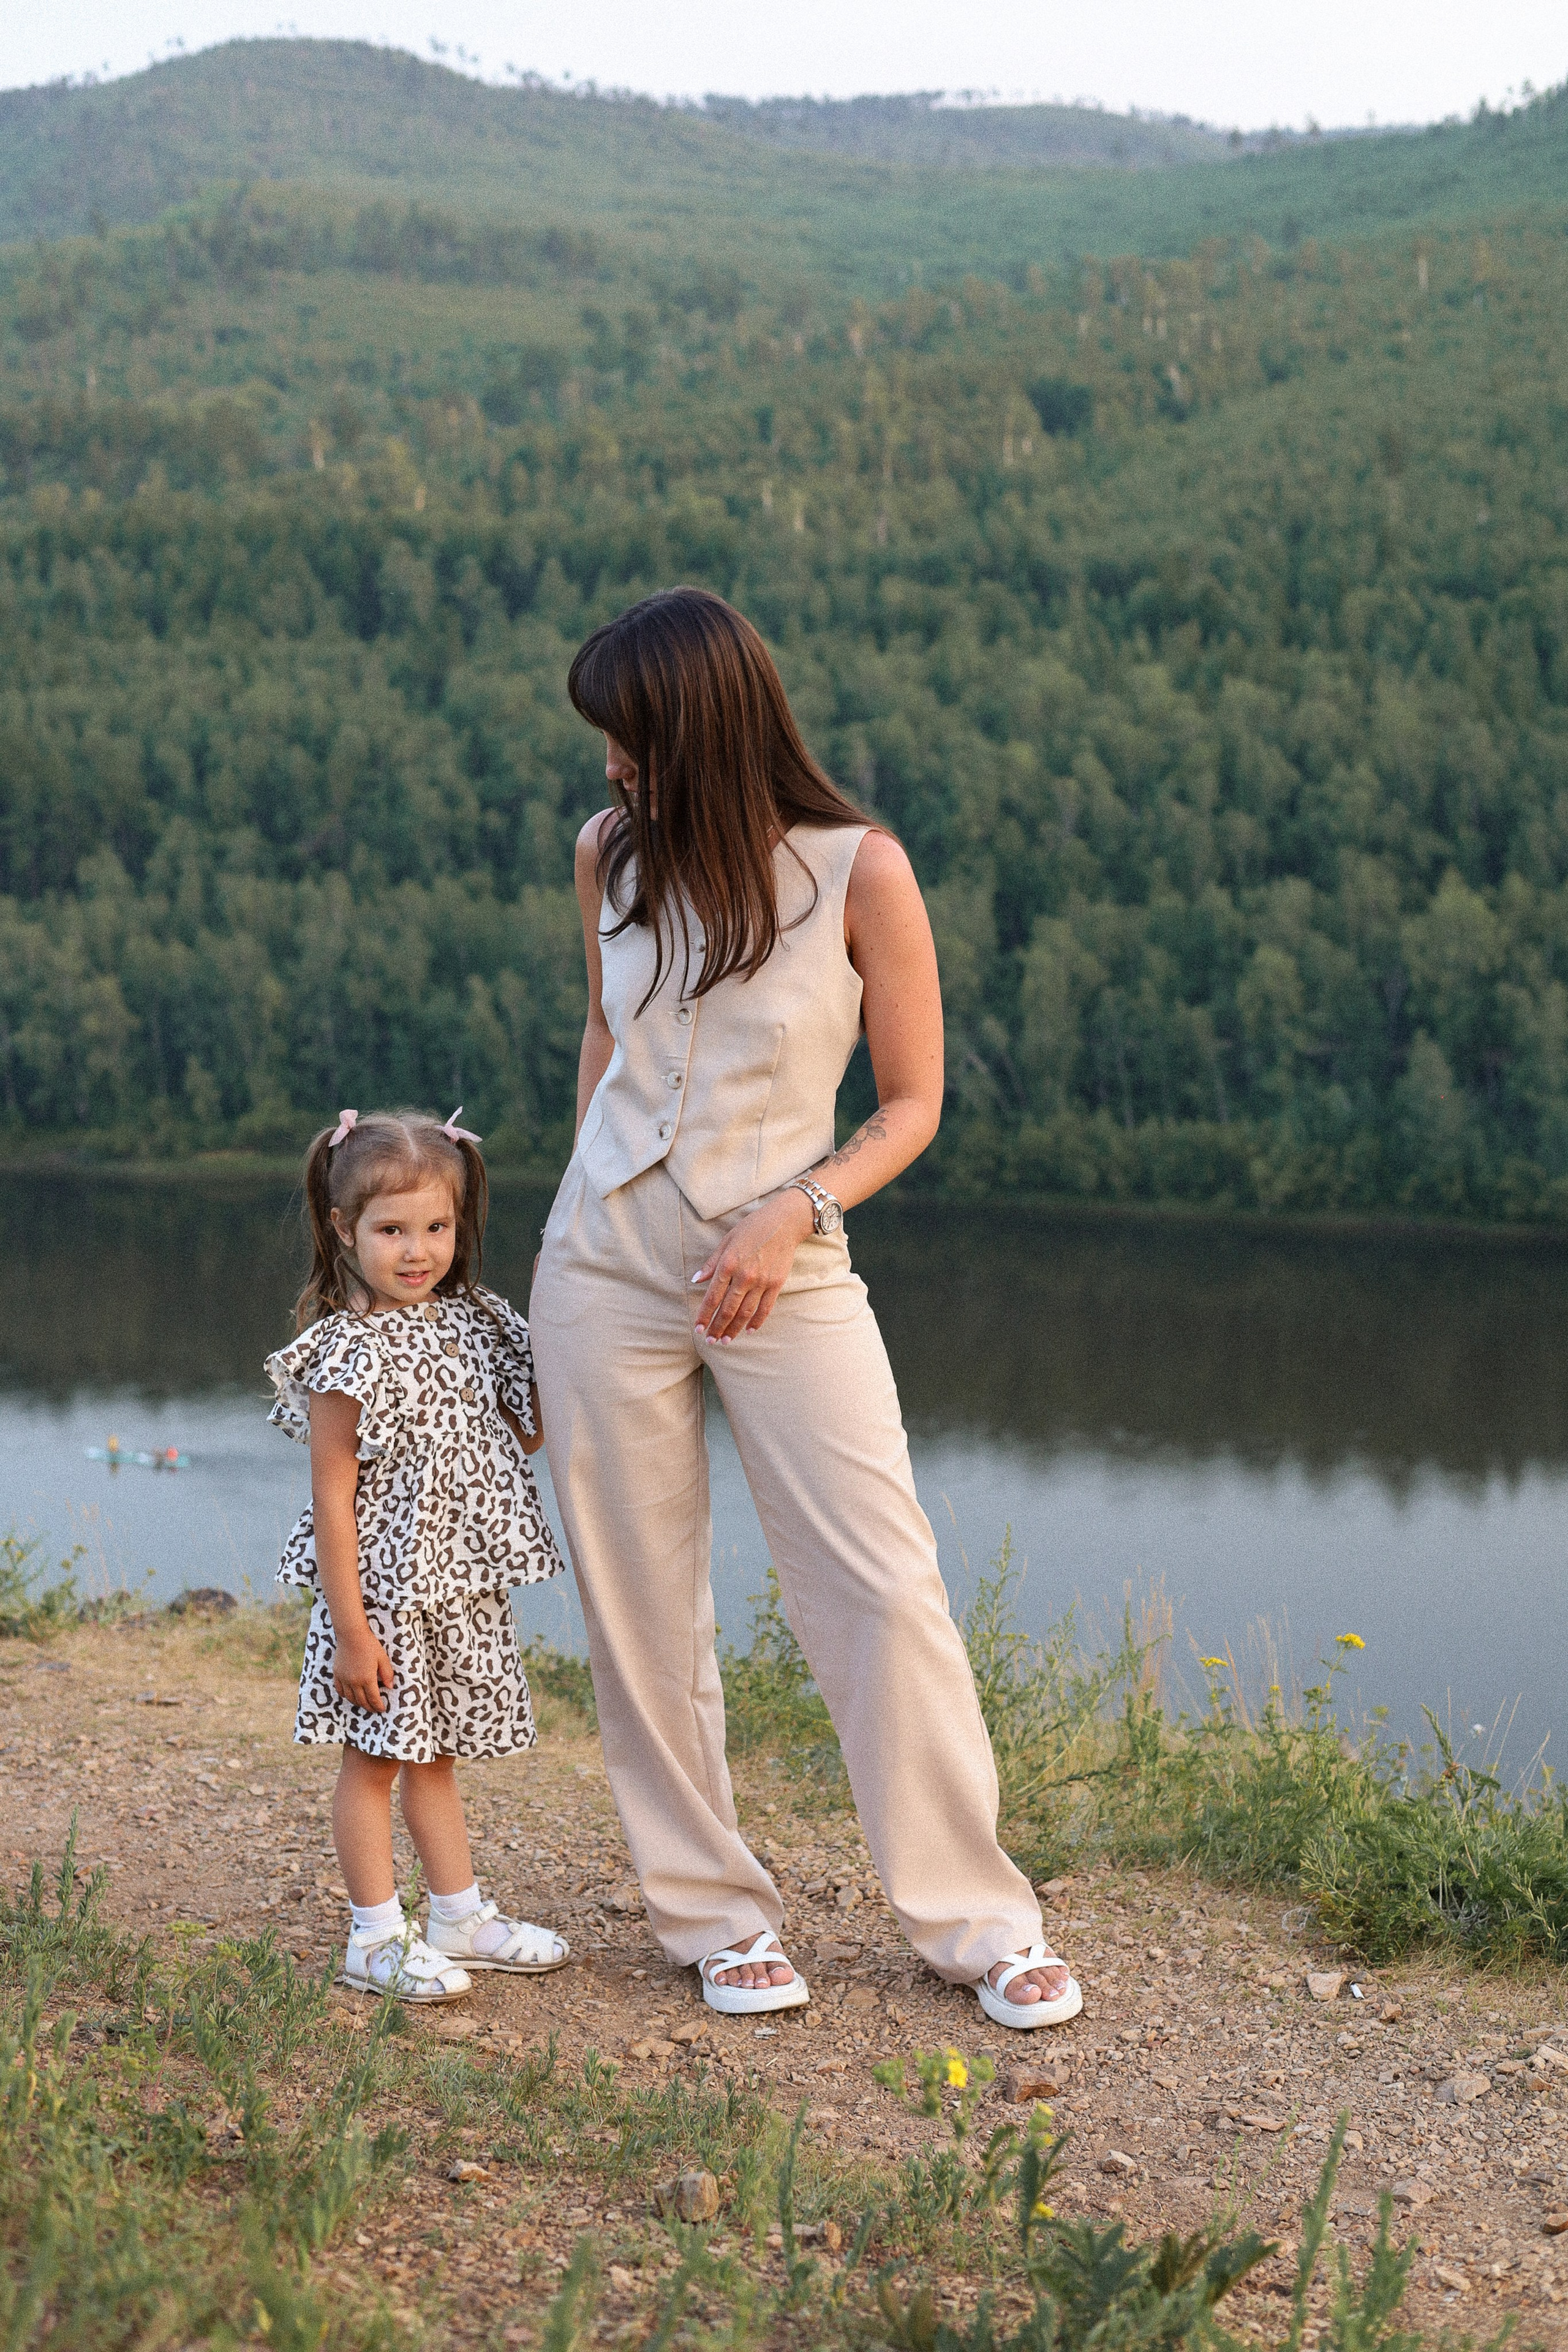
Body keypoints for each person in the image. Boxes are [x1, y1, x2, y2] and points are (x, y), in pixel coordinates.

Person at [529, 586, 1080, 2031]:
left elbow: (912, 1104)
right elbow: (605, 1036)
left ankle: (978, 1919)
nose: (609, 769)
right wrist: (555, 1240)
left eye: (630, 738)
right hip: (603, 1261)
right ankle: (710, 1916)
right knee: (639, 1606)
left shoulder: (858, 873)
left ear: (701, 725)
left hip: (787, 1257)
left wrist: (797, 1206)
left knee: (876, 1584)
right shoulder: (607, 856)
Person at [266, 1107, 570, 2003]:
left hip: (459, 1583)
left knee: (434, 1755)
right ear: (343, 1230)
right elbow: (332, 1498)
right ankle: (372, 1937)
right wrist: (353, 1632)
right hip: (382, 1597)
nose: (416, 1250)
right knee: (374, 1761)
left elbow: (527, 1431)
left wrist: (564, 1320)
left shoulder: (476, 1321)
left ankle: (460, 1915)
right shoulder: (344, 1352)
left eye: (435, 1227)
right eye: (391, 1230)